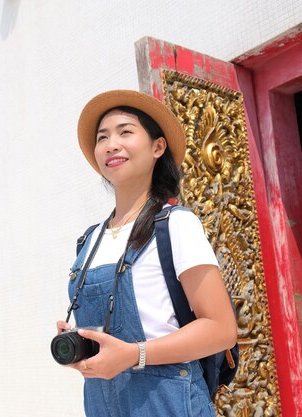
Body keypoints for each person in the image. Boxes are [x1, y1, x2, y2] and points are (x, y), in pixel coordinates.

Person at [56, 90, 237, 416]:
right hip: (102, 405)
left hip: (169, 403)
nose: (111, 144)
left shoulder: (176, 226)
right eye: (102, 137)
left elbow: (221, 328)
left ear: (158, 146)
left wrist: (133, 354)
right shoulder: (89, 241)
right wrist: (80, 345)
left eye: (125, 131)